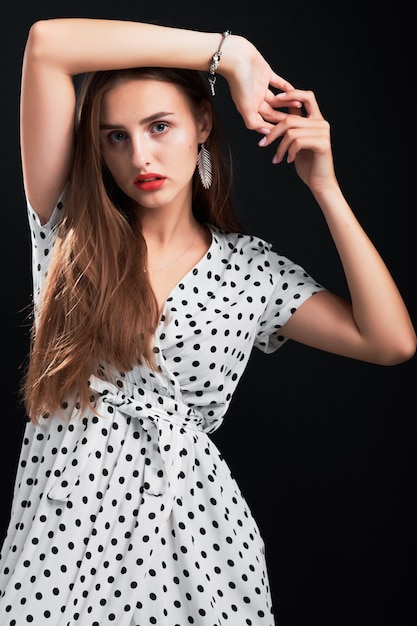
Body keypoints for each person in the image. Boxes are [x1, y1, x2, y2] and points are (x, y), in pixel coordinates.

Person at [0, 16, 415, 626]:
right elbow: (48, 44)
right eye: (116, 137)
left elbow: (390, 341)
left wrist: (325, 187)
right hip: (64, 536)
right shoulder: (68, 228)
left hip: (199, 544)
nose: (140, 154)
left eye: (159, 126)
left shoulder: (252, 273)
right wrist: (229, 55)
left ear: (201, 124)